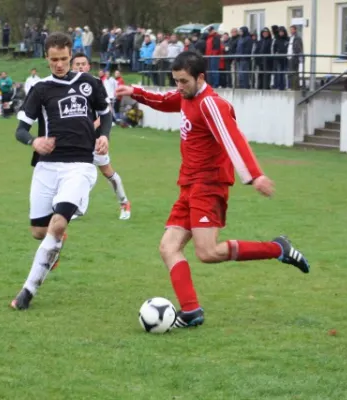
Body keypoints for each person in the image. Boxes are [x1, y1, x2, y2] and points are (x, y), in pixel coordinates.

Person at [115, 51, 310, 328]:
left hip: (209, 185)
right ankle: (191, 311)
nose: (179, 87)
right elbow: (163, 100)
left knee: (207, 252)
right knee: (168, 247)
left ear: (201, 77)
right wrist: (133, 91)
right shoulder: (186, 97)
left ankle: (277, 248)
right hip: (188, 186)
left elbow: (233, 139)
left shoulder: (211, 105)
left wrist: (255, 176)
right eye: (176, 81)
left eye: (183, 81)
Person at [10, 32, 113, 310]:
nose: (59, 64)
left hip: (80, 166)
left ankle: (26, 293)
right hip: (47, 166)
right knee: (38, 231)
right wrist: (35, 141)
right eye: (53, 59)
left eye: (64, 59)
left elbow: (106, 113)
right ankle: (56, 242)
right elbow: (20, 130)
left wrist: (104, 136)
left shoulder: (90, 84)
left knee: (57, 223)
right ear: (46, 57)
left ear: (72, 56)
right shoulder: (41, 89)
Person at [71, 52, 131, 220]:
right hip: (77, 139)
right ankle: (74, 207)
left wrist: (91, 128)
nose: (80, 66)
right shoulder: (66, 86)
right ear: (71, 67)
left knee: (107, 173)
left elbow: (105, 114)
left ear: (89, 67)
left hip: (97, 138)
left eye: (83, 64)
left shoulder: (96, 84)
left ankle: (124, 202)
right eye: (77, 64)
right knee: (76, 173)